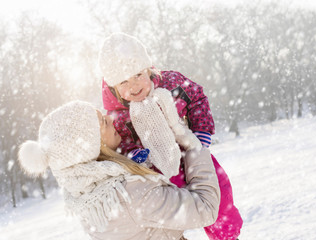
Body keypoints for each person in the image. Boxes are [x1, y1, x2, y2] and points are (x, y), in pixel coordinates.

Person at [98, 32, 243, 240]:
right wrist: (134, 155)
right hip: (156, 170)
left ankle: (227, 235)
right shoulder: (118, 115)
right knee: (172, 212)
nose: (134, 86)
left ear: (148, 69)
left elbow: (197, 97)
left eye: (138, 75)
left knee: (218, 191)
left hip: (190, 153)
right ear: (113, 87)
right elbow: (120, 143)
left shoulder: (171, 83)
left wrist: (201, 131)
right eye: (124, 82)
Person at [17, 100, 220, 240]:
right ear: (92, 146)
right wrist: (194, 147)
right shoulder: (129, 194)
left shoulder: (82, 192)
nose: (111, 120)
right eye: (103, 122)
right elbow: (206, 208)